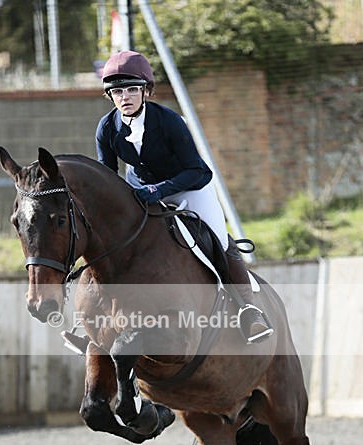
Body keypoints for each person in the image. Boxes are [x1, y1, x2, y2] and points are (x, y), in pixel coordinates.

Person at [95, 50, 273, 344]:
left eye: (131, 90)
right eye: (117, 92)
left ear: (146, 91)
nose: (124, 97)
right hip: (141, 192)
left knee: (217, 239)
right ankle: (98, 318)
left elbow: (196, 170)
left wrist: (158, 190)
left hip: (189, 186)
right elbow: (107, 175)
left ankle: (249, 309)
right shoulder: (106, 128)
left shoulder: (169, 121)